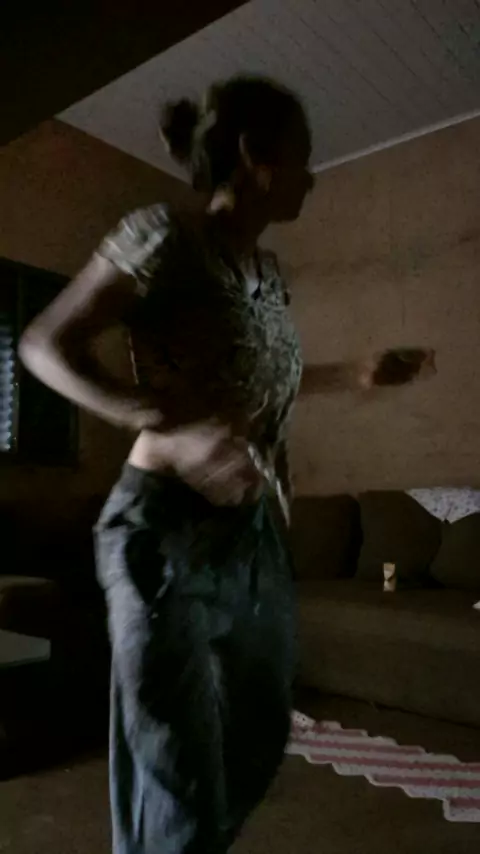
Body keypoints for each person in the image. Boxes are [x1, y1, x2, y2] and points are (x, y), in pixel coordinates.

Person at [19, 76, 434, 854]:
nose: (313, 177)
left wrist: (356, 373)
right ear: (253, 156)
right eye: (303, 157)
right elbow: (44, 344)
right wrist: (161, 422)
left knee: (259, 732)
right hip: (161, 527)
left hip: (250, 536)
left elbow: (255, 381)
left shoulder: (270, 275)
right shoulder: (163, 237)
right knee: (177, 772)